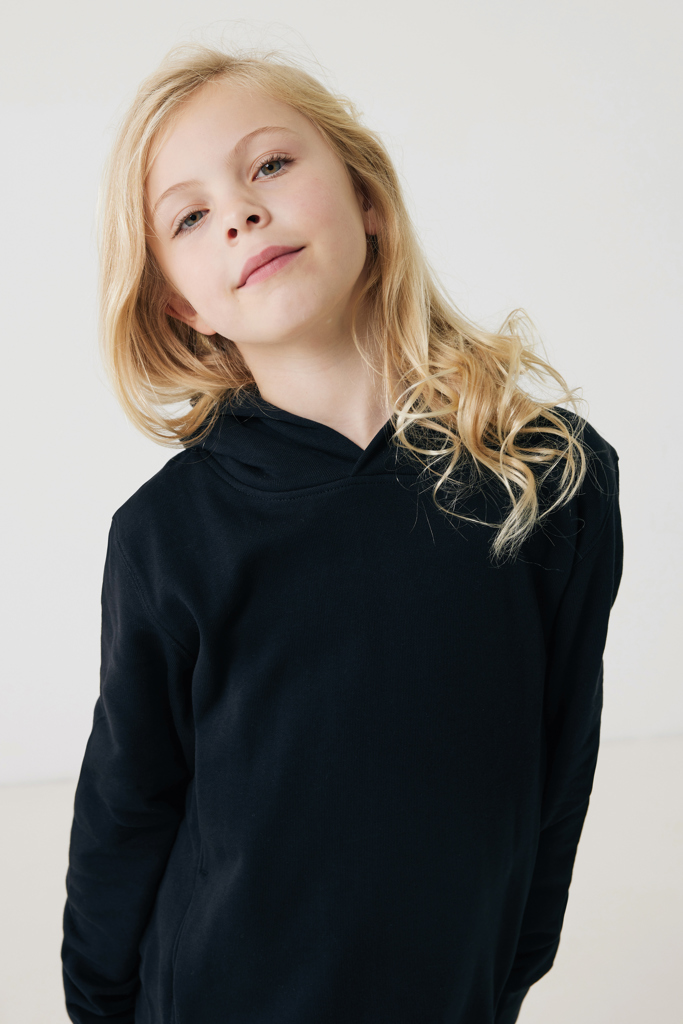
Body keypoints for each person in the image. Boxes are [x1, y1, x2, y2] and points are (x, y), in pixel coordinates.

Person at [61, 41, 624, 1024]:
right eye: (188, 216)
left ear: (365, 196)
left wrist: (501, 982)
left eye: (270, 164)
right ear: (181, 302)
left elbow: (555, 772)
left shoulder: (547, 475)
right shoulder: (167, 534)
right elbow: (127, 805)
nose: (239, 213)